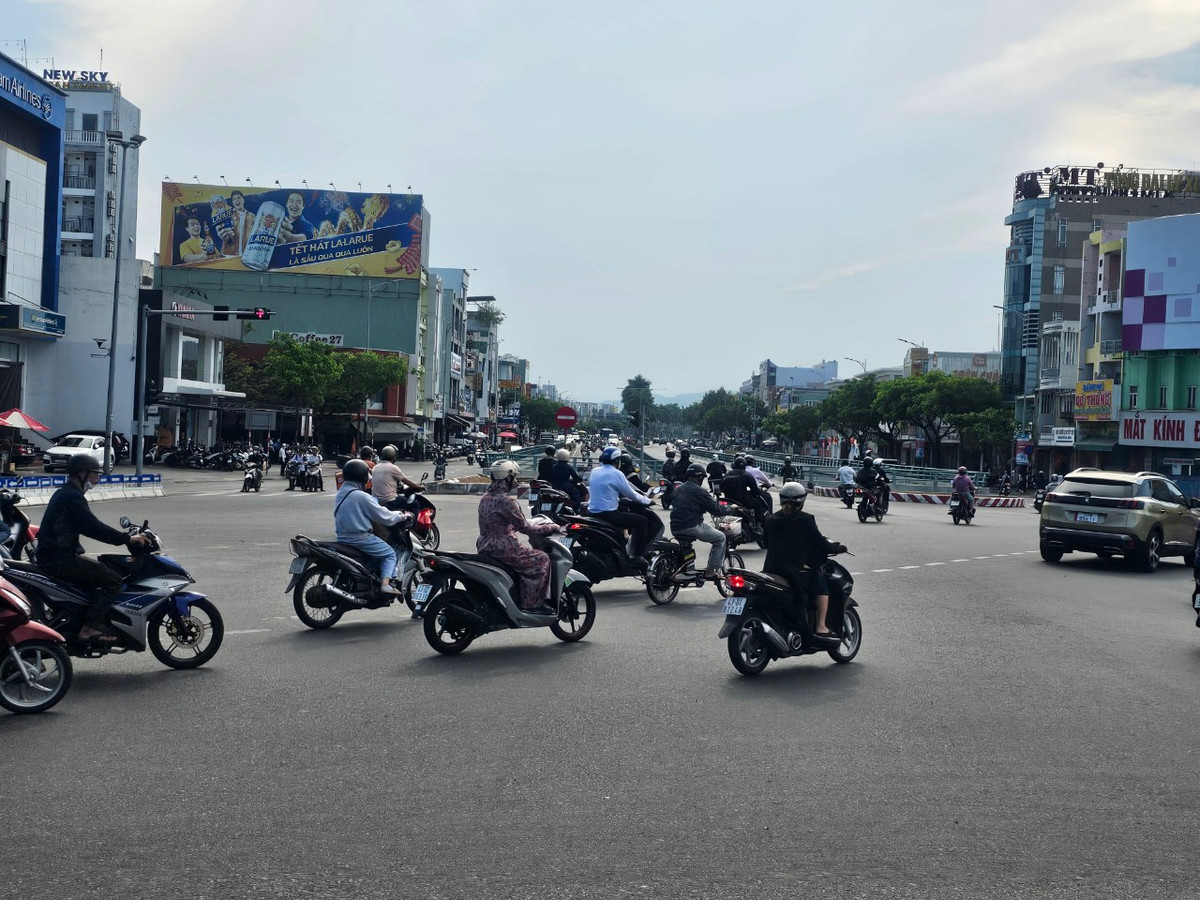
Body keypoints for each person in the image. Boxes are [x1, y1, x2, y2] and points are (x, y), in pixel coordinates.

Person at [36, 453, 151, 641]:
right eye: (94, 474)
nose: (97, 479)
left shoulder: (65, 493)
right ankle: (89, 628)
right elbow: (93, 528)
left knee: (100, 571)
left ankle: (83, 618)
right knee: (112, 579)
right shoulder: (72, 497)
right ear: (82, 473)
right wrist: (127, 539)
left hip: (55, 556)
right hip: (60, 559)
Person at [477, 460, 566, 612]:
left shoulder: (485, 498)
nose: (516, 481)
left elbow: (496, 522)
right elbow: (525, 527)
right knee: (542, 559)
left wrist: (510, 527)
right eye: (514, 478)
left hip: (484, 546)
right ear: (508, 478)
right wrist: (552, 526)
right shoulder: (507, 502)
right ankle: (533, 604)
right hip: (505, 549)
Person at [762, 483, 844, 641]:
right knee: (821, 585)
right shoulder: (806, 519)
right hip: (796, 570)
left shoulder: (771, 519)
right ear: (802, 501)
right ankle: (821, 626)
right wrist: (837, 548)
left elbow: (765, 542)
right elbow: (820, 544)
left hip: (772, 569)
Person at [333, 459, 407, 597]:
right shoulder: (361, 496)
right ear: (361, 476)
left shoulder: (342, 493)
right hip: (360, 538)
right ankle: (385, 585)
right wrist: (401, 516)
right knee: (390, 554)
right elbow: (385, 517)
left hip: (342, 537)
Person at [588, 446, 655, 565]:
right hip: (608, 514)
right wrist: (647, 501)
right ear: (617, 461)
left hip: (592, 512)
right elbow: (631, 494)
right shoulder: (617, 474)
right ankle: (637, 555)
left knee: (623, 507)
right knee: (642, 520)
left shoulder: (595, 471)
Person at [669, 463, 727, 579]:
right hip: (692, 526)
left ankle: (688, 567)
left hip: (675, 527)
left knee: (685, 547)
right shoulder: (700, 491)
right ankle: (712, 570)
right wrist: (730, 509)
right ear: (700, 477)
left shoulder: (678, 489)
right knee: (720, 537)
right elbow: (716, 510)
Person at [371, 444, 424, 508]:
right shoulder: (393, 468)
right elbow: (406, 481)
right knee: (415, 504)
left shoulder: (375, 467)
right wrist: (418, 487)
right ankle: (412, 517)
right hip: (389, 500)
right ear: (394, 456)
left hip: (376, 501)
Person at [721, 457, 767, 525]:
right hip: (744, 501)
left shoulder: (727, 474)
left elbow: (721, 488)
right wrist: (760, 492)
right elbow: (755, 489)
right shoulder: (746, 474)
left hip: (729, 500)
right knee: (758, 505)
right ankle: (758, 525)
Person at [216, 189, 255, 256]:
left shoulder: (252, 217)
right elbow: (221, 230)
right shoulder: (227, 215)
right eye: (233, 199)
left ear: (243, 200)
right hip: (229, 255)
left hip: (247, 255)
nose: (236, 200)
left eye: (238, 198)